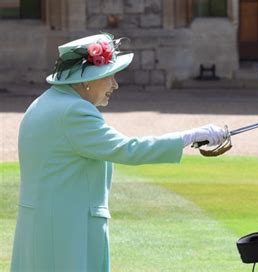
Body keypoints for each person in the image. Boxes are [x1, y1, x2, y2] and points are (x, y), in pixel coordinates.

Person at [10, 33, 228, 271]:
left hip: (43, 227)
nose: (115, 84)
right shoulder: (74, 111)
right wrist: (190, 136)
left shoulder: (45, 101)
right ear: (86, 80)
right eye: (109, 76)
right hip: (67, 232)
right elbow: (128, 150)